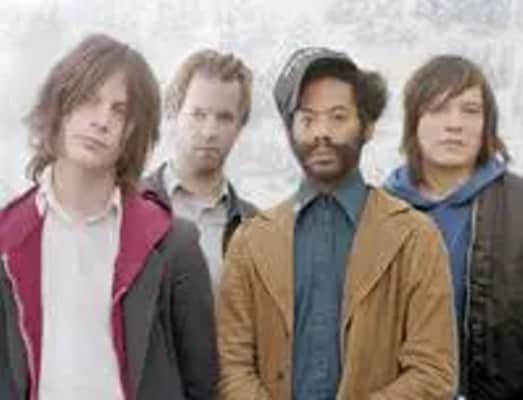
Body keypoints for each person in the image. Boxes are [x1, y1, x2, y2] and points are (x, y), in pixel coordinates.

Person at [217, 46, 457, 399]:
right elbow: (232, 367)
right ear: (290, 131)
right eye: (307, 119)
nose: (321, 132)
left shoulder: (415, 238)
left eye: (338, 117)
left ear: (367, 126)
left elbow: (434, 372)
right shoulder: (250, 242)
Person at [0, 33, 217, 400]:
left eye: (120, 111)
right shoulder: (7, 238)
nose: (102, 121)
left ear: (133, 132)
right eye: (89, 100)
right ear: (60, 105)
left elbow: (202, 383)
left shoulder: (172, 244)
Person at [386, 54, 523, 400]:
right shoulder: (376, 213)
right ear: (414, 122)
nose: (454, 124)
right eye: (438, 109)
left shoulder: (518, 206)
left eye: (470, 110)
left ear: (487, 124)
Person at [142, 49, 256, 288]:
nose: (209, 131)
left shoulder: (256, 228)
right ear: (174, 112)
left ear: (240, 126)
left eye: (224, 118)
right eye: (198, 114)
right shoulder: (128, 205)